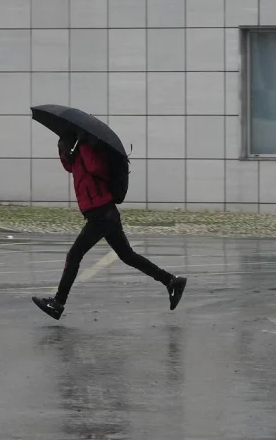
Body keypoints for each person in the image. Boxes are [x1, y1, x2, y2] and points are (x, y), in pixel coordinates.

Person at [32, 132, 187, 320]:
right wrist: (63, 148)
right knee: (127, 256)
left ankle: (58, 303)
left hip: (102, 214)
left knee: (74, 255)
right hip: (103, 214)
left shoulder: (88, 147)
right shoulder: (78, 151)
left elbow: (96, 168)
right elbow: (70, 167)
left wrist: (80, 146)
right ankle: (171, 281)